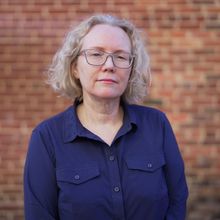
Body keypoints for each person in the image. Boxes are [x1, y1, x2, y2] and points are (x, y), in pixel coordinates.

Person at [24, 14, 188, 220]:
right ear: (75, 67)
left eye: (120, 56)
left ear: (131, 69)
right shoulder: (47, 137)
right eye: (96, 54)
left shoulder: (157, 125)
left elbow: (177, 199)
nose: (109, 65)